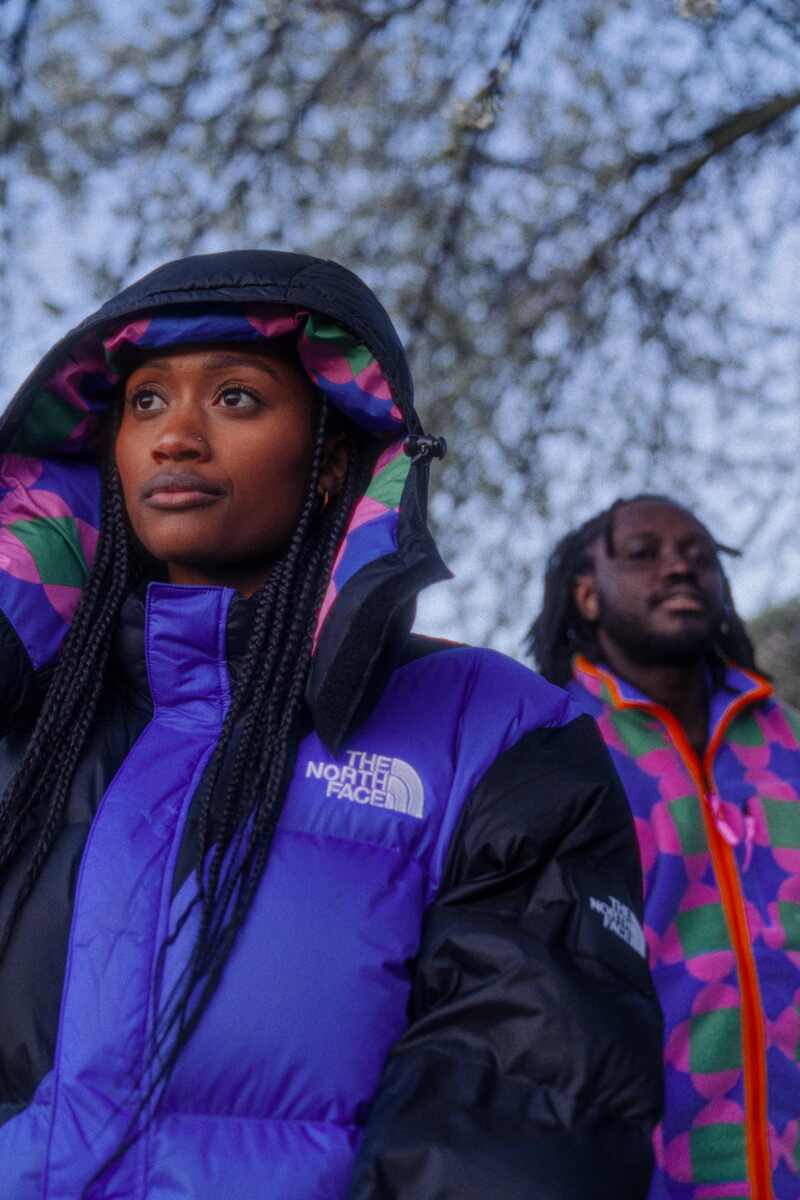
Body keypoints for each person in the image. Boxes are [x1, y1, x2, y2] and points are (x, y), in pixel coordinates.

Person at [0, 250, 661, 1199]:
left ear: (332, 463)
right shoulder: (31, 723)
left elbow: (526, 1111)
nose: (175, 437)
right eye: (144, 402)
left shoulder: (498, 731)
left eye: (235, 398)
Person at [528, 493, 800, 1200]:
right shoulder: (548, 745)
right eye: (643, 553)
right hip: (633, 1174)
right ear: (586, 594)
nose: (681, 567)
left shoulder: (791, 743)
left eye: (700, 556)